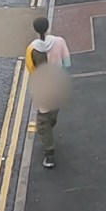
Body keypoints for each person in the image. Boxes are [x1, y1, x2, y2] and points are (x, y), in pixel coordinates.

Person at [25, 17, 72, 169]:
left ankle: (49, 154)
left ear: (35, 30)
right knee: (53, 114)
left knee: (43, 119)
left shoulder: (31, 48)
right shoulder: (60, 41)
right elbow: (67, 64)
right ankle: (49, 129)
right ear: (48, 27)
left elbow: (31, 70)